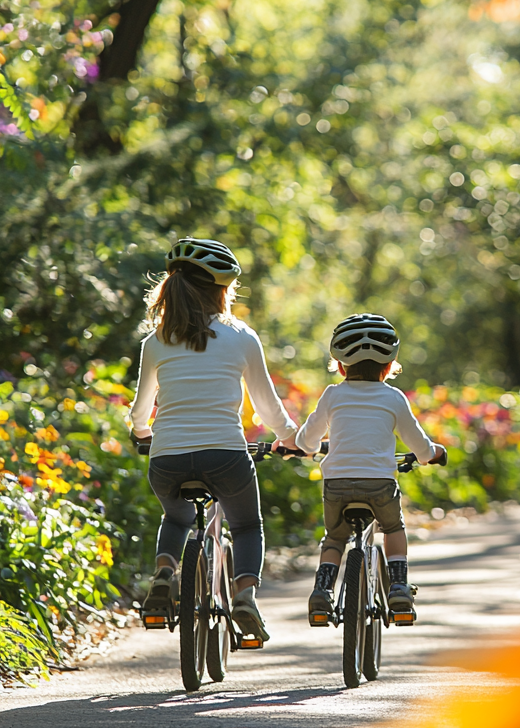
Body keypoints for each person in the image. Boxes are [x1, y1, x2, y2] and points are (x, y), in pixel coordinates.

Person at [129, 237, 298, 642]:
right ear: (223, 290)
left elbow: (140, 410)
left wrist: (142, 434)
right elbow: (268, 406)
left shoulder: (155, 342)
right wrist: (291, 439)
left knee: (176, 517)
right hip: (226, 456)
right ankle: (244, 597)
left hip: (167, 458)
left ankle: (165, 574)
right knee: (246, 526)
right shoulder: (241, 336)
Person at [295, 313, 444, 625]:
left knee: (335, 539)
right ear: (389, 367)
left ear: (339, 365)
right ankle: (399, 586)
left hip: (336, 485)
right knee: (393, 528)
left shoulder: (332, 395)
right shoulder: (393, 398)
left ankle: (322, 591)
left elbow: (307, 440)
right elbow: (419, 445)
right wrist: (433, 454)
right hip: (379, 486)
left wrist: (310, 447)